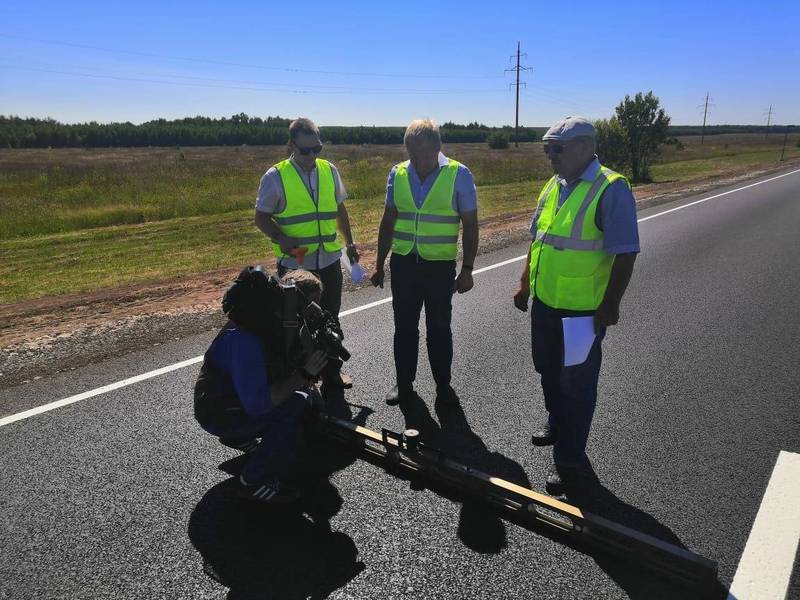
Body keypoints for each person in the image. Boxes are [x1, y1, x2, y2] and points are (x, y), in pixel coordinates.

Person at [513, 116, 640, 496]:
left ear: (585, 148)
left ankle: (569, 461)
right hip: (546, 304)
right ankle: (557, 422)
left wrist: (611, 303)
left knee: (577, 385)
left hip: (583, 311)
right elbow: (539, 240)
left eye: (557, 149)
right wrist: (524, 281)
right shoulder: (554, 185)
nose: (550, 156)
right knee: (548, 371)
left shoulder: (611, 189)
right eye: (547, 149)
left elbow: (626, 252)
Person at [194, 265, 329, 504]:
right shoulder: (245, 340)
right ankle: (252, 481)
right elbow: (260, 404)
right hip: (218, 412)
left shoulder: (271, 325)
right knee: (297, 405)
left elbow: (283, 365)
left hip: (234, 399)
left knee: (311, 403)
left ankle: (239, 437)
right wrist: (303, 377)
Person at [371, 119, 479, 407]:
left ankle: (443, 386)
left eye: (424, 154)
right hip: (404, 263)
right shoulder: (398, 173)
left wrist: (467, 269)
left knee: (439, 328)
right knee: (404, 328)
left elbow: (470, 225)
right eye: (412, 154)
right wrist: (379, 263)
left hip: (439, 267)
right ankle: (404, 384)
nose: (418, 161)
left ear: (438, 147)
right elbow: (388, 219)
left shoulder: (459, 174)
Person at [254, 117, 357, 391]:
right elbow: (261, 217)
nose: (312, 156)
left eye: (317, 149)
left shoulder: (329, 170)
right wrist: (280, 237)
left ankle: (332, 374)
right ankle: (302, 380)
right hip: (296, 268)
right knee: (297, 326)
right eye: (305, 150)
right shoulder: (275, 177)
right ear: (291, 145)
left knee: (330, 319)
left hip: (330, 261)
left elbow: (340, 210)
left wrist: (350, 242)